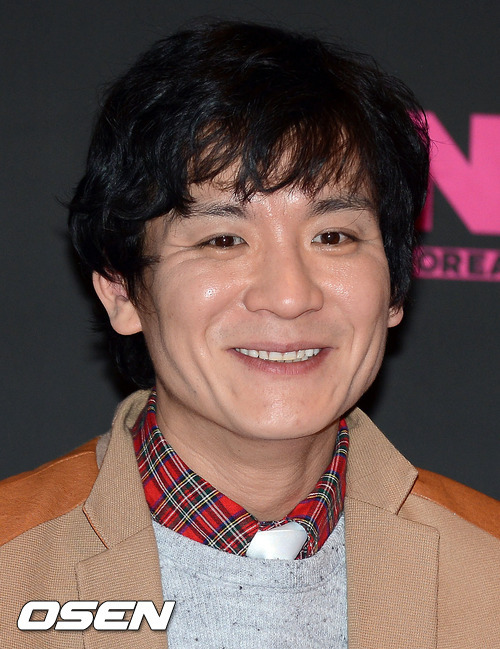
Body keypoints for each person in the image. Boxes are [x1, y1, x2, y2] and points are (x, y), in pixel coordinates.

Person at [0, 20, 498, 649]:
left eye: (333, 237)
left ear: (395, 288)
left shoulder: (488, 568)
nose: (289, 296)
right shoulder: (13, 565)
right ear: (123, 292)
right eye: (223, 239)